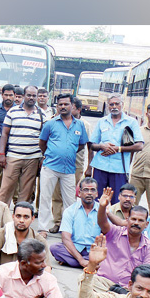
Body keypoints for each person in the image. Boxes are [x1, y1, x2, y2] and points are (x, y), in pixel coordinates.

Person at [36, 93, 89, 236]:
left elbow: (81, 144)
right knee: (45, 198)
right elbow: (42, 143)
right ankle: (43, 229)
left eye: (66, 104)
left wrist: (68, 152)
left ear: (72, 105)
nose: (63, 107)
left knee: (70, 202)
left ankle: (68, 229)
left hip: (69, 169)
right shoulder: (50, 123)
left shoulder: (80, 125)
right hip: (50, 167)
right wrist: (53, 153)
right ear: (57, 106)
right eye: (60, 104)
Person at [95, 187, 150, 290]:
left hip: (127, 289)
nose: (136, 223)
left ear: (146, 224)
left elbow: (147, 275)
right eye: (133, 219)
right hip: (103, 282)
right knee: (84, 279)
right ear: (127, 220)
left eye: (140, 220)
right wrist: (102, 207)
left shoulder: (149, 248)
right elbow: (102, 223)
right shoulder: (115, 232)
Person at [87, 94, 144, 202]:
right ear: (108, 106)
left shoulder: (131, 122)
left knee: (117, 201)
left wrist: (118, 149)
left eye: (117, 104)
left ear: (122, 104)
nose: (114, 107)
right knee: (97, 199)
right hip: (100, 167)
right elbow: (92, 145)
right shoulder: (102, 121)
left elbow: (139, 145)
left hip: (119, 169)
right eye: (111, 104)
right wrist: (101, 146)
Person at [49, 96, 94, 234]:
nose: (66, 108)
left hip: (76, 165)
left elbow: (89, 146)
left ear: (78, 109)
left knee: (71, 197)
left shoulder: (84, 125)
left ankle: (69, 225)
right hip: (57, 164)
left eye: (71, 106)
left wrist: (89, 167)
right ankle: (57, 222)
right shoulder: (56, 121)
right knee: (57, 195)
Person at [0, 85, 44, 206]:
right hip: (13, 156)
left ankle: (20, 218)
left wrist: (42, 157)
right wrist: (2, 154)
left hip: (32, 159)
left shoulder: (42, 114)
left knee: (26, 191)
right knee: (5, 189)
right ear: (23, 96)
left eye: (34, 95)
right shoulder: (13, 112)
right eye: (29, 95)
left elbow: (45, 138)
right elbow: (4, 134)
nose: (31, 98)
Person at [50, 177, 101, 268]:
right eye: (86, 190)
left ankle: (72, 262)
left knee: (112, 254)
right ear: (79, 193)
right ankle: (90, 264)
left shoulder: (103, 211)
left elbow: (110, 235)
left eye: (92, 190)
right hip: (75, 249)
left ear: (97, 193)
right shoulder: (70, 211)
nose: (89, 193)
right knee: (55, 248)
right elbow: (66, 238)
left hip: (95, 250)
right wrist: (80, 260)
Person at [0, 201, 45, 275]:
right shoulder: (1, 234)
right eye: (18, 216)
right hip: (4, 277)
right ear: (13, 216)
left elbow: (46, 268)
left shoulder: (39, 240)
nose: (21, 220)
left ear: (33, 219)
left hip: (28, 280)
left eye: (26, 217)